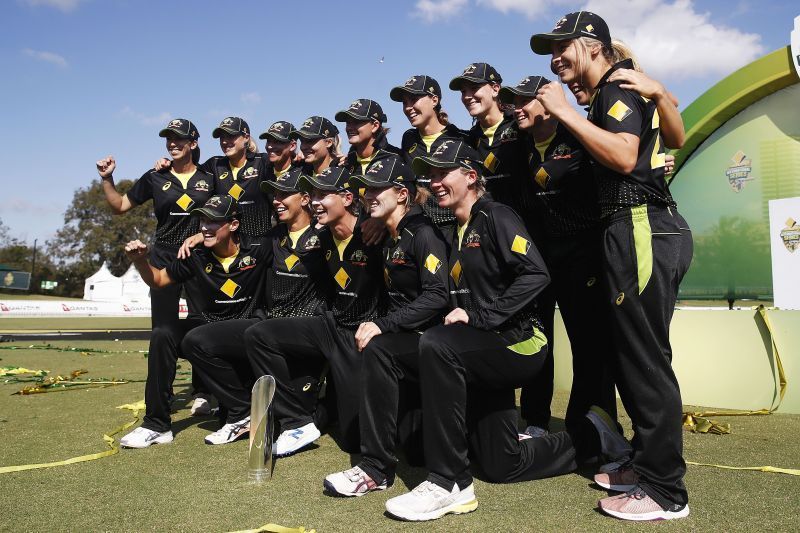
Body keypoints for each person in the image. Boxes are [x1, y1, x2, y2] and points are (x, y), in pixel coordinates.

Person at [531, 10, 693, 520]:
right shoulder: (614, 91)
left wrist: (565, 114)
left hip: (641, 226)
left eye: (563, 45)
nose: (555, 57)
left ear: (594, 45)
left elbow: (625, 158)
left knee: (645, 360)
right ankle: (647, 465)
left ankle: (666, 490)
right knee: (633, 355)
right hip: (631, 229)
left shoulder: (612, 91)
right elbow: (677, 137)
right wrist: (663, 94)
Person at [496, 76, 618, 439]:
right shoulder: (516, 147)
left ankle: (591, 426)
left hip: (584, 255)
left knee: (588, 344)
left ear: (548, 103)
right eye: (512, 102)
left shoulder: (577, 135)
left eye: (525, 101)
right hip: (539, 260)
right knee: (540, 339)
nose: (516, 108)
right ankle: (535, 419)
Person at [323, 155, 449, 496]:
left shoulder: (423, 234)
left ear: (402, 194)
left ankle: (374, 468)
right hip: (408, 340)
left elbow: (438, 296)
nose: (370, 196)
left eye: (379, 189)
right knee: (417, 451)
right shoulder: (392, 234)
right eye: (368, 190)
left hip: (432, 341)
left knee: (377, 348)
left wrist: (384, 324)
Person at [179, 168, 332, 445]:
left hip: (309, 331)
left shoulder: (326, 236)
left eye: (285, 193)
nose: (277, 199)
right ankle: (243, 413)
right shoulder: (271, 239)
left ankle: (298, 420)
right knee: (196, 340)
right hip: (269, 328)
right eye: (275, 193)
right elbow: (235, 241)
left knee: (317, 413)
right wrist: (204, 234)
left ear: (306, 198)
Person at [244, 166, 386, 456]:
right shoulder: (321, 240)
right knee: (258, 335)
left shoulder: (374, 235)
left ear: (347, 198)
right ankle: (297, 421)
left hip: (364, 335)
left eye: (323, 195)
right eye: (313, 195)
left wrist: (379, 221)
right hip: (330, 327)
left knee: (353, 440)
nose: (315, 201)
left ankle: (322, 408)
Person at [118, 195, 269, 448]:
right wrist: (141, 261)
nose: (205, 227)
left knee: (195, 340)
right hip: (208, 330)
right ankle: (157, 424)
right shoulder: (195, 256)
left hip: (247, 332)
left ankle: (242, 411)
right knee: (162, 334)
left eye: (213, 221)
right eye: (202, 220)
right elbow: (158, 280)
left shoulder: (260, 248)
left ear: (233, 225)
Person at [96, 118, 215, 418]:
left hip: (200, 257)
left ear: (193, 143)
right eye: (168, 139)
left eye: (179, 139)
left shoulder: (211, 175)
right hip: (162, 256)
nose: (172, 143)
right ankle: (164, 390)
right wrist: (107, 179)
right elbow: (120, 206)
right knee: (163, 328)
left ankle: (204, 390)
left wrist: (202, 235)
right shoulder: (155, 176)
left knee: (205, 322)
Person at [388, 75, 469, 228]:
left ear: (434, 100)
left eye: (413, 100)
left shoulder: (461, 138)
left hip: (453, 227)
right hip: (419, 229)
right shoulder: (408, 138)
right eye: (405, 102)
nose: (407, 108)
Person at [449, 62, 519, 205]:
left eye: (474, 88)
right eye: (463, 92)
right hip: (490, 221)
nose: (467, 97)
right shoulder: (470, 138)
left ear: (495, 89)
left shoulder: (519, 124)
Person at [335, 98, 401, 175]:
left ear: (375, 126)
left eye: (357, 122)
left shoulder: (395, 159)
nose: (349, 128)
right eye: (348, 123)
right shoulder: (346, 164)